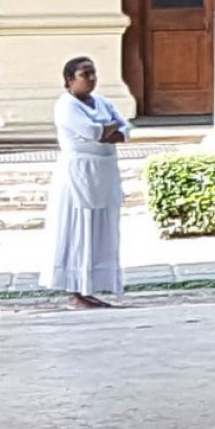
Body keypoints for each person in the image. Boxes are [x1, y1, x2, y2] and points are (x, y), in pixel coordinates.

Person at [46, 57, 128, 310]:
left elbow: (125, 129)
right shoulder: (66, 105)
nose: (92, 78)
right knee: (77, 230)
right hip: (78, 175)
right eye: (85, 74)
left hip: (103, 173)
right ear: (70, 80)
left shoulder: (103, 102)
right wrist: (104, 131)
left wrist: (107, 131)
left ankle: (89, 286)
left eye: (93, 73)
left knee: (99, 230)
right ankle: (74, 291)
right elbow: (92, 132)